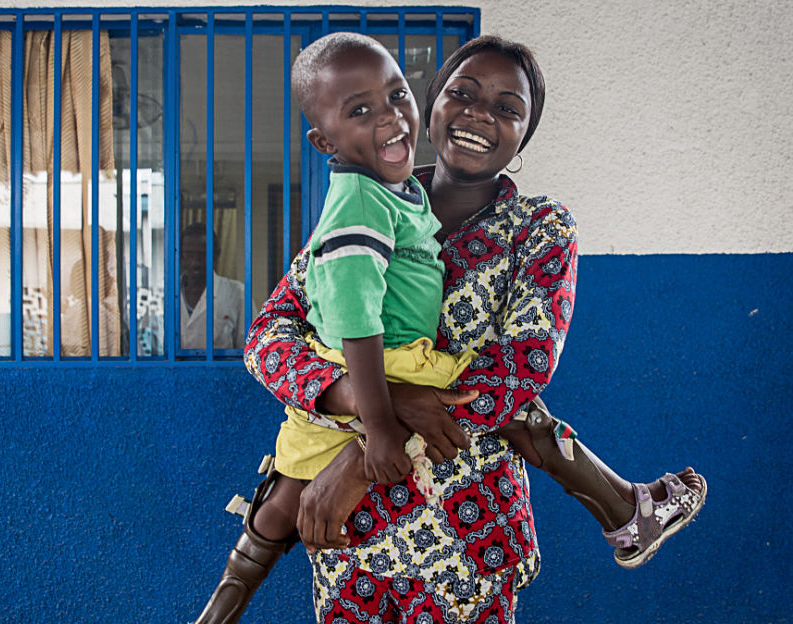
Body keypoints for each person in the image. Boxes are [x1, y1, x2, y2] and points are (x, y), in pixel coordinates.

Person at [193, 34, 706, 624]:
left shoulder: (538, 230)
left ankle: (624, 506)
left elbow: (520, 369)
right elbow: (267, 339)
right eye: (463, 94)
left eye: (508, 108)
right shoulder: (366, 203)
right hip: (352, 548)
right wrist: (361, 396)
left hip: (466, 543)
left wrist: (364, 456)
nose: (481, 115)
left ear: (522, 139)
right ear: (432, 106)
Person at [180, 222, 245, 350]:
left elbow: (249, 348)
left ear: (216, 255)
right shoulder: (167, 294)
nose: (195, 263)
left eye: (202, 255)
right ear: (181, 255)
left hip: (222, 370)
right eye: (189, 254)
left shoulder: (236, 293)